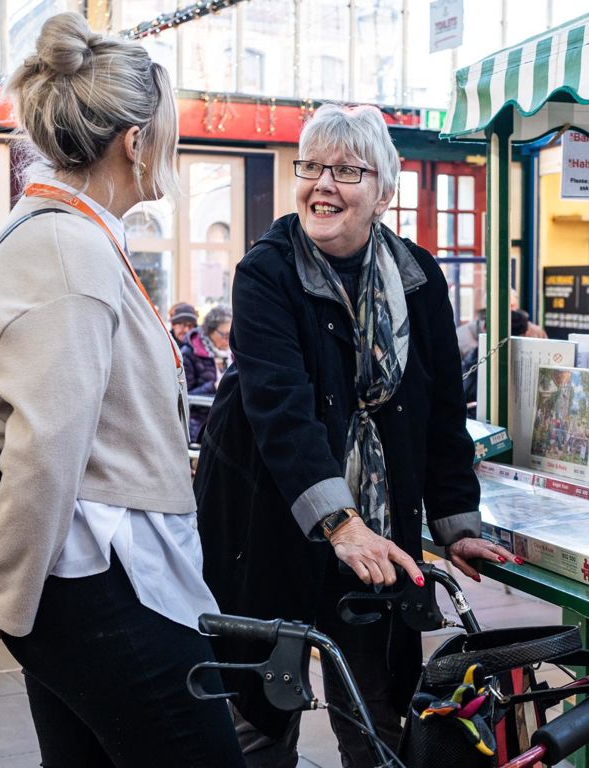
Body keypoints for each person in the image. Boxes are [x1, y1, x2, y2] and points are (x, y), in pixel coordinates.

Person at [0, 13, 244, 768]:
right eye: (167, 131)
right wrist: (5, 596)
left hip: (88, 574)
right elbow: (44, 450)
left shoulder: (60, 236)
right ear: (135, 141)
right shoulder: (69, 251)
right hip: (105, 578)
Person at [194, 104, 519, 767]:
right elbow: (281, 409)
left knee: (376, 716)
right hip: (267, 520)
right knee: (261, 718)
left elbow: (438, 412)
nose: (323, 185)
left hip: (376, 534)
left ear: (384, 192)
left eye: (346, 170)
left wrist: (456, 522)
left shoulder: (418, 275)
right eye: (311, 166)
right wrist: (340, 523)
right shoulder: (267, 272)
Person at [181, 303, 232, 441]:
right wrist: (214, 387)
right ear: (211, 330)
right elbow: (183, 397)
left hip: (228, 420)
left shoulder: (232, 352)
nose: (229, 340)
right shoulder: (189, 353)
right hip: (201, 424)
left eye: (232, 334)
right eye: (225, 335)